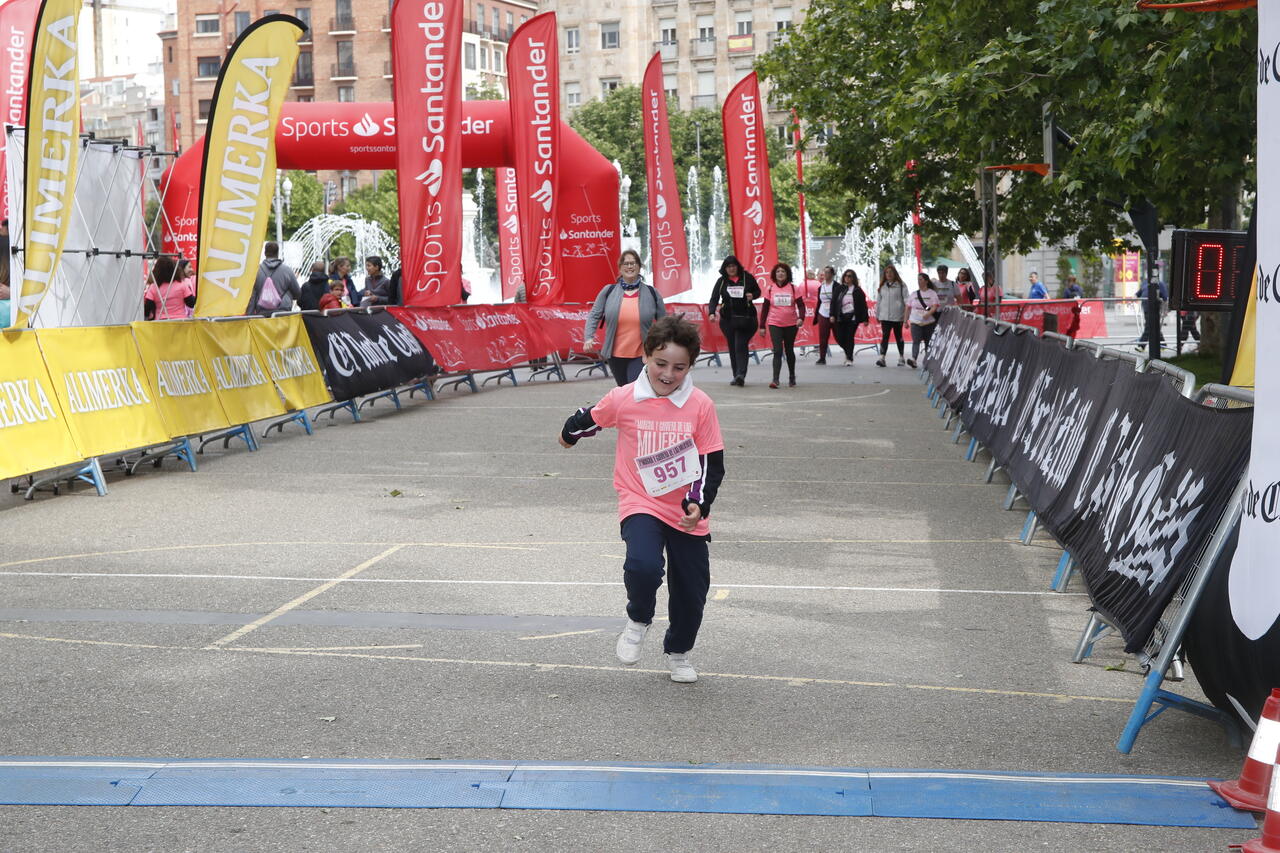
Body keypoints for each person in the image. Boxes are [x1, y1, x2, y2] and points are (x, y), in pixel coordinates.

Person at [559, 314, 725, 684]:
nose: (668, 374)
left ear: (690, 366)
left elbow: (711, 461)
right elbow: (593, 418)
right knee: (642, 565)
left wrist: (699, 504)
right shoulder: (626, 398)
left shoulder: (700, 406)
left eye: (679, 367)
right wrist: (570, 433)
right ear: (646, 356)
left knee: (692, 591)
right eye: (661, 363)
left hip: (685, 512)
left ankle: (678, 652)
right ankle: (638, 619)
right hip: (641, 501)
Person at [584, 249, 667, 386]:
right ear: (620, 268)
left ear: (639, 267)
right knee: (623, 389)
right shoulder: (608, 291)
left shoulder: (652, 293)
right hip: (615, 355)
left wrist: (666, 345)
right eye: (626, 263)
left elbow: (664, 322)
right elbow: (594, 315)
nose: (630, 266)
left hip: (642, 354)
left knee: (634, 388)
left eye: (633, 263)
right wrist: (589, 337)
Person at [707, 254, 761, 386]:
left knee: (740, 344)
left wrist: (752, 295)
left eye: (733, 266)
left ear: (737, 266)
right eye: (728, 267)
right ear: (725, 269)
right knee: (733, 346)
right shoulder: (721, 281)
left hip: (746, 318)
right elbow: (714, 298)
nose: (731, 269)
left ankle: (741, 374)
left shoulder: (746, 277)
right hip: (728, 320)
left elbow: (758, 291)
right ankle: (736, 375)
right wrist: (711, 312)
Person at [760, 261, 805, 388]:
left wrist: (801, 318)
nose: (780, 273)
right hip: (775, 323)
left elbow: (801, 305)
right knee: (777, 350)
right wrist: (762, 326)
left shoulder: (793, 288)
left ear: (787, 274)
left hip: (791, 323)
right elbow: (765, 308)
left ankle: (792, 376)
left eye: (783, 271)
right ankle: (775, 380)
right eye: (778, 271)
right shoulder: (770, 288)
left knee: (789, 350)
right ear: (775, 274)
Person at [248, 241, 301, 315]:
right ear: (277, 253)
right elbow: (297, 293)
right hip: (283, 314)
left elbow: (252, 296)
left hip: (262, 314)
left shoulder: (256, 271)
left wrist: (249, 316)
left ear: (265, 253)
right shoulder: (287, 270)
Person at [830, 268, 868, 365]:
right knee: (839, 337)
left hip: (853, 317)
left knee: (849, 337)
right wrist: (832, 315)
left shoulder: (857, 290)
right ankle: (848, 353)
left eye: (850, 276)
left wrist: (865, 318)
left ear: (853, 278)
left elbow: (863, 305)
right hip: (840, 316)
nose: (847, 278)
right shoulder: (839, 289)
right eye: (846, 276)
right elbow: (833, 302)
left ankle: (849, 358)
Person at [874, 264, 908, 367]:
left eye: (891, 272)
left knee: (899, 336)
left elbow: (907, 300)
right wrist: (877, 314)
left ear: (895, 273)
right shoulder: (882, 286)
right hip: (885, 316)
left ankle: (901, 357)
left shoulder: (901, 285)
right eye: (887, 272)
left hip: (898, 315)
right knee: (885, 336)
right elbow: (879, 301)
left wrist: (906, 316)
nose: (889, 274)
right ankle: (882, 357)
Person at [144, 255, 196, 320]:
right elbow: (191, 303)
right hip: (180, 322)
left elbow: (147, 308)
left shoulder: (153, 287)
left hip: (161, 323)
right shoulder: (182, 285)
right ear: (175, 269)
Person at [906, 272, 940, 369]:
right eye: (918, 279)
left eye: (921, 279)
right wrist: (905, 320)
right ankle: (913, 359)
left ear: (926, 281)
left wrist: (928, 314)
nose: (919, 281)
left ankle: (927, 361)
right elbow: (907, 307)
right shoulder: (914, 294)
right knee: (916, 341)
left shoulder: (932, 293)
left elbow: (934, 307)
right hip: (915, 321)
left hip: (928, 322)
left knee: (928, 342)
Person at [811, 266, 838, 364]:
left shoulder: (837, 286)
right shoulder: (821, 287)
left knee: (838, 336)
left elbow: (837, 302)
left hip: (834, 314)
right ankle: (822, 358)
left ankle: (848, 354)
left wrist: (834, 314)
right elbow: (819, 302)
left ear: (832, 274)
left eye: (827, 272)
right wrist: (816, 316)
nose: (824, 274)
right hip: (823, 313)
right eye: (824, 272)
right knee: (823, 336)